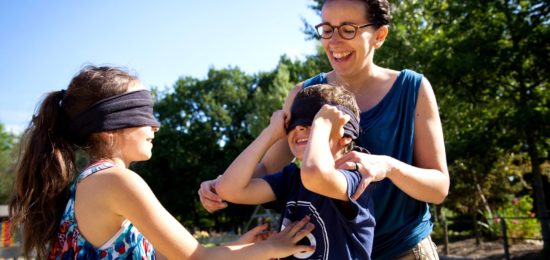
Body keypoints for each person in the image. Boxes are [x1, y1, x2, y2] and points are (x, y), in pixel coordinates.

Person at [199, 0, 449, 259]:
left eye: (348, 29)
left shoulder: (413, 89)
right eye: (327, 29)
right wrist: (220, 185)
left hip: (404, 249)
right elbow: (267, 168)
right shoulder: (304, 95)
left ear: (379, 35)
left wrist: (388, 166)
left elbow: (438, 188)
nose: (334, 41)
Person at [9, 65, 315, 260]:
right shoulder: (115, 181)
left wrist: (242, 245)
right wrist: (272, 248)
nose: (155, 126)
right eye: (142, 115)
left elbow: (169, 256)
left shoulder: (94, 182)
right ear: (109, 126)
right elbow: (195, 259)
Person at [215, 84, 376, 259]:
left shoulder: (356, 178)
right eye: (294, 124)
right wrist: (269, 133)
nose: (299, 128)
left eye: (311, 124)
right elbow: (229, 189)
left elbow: (315, 175)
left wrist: (320, 125)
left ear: (345, 136)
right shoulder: (290, 180)